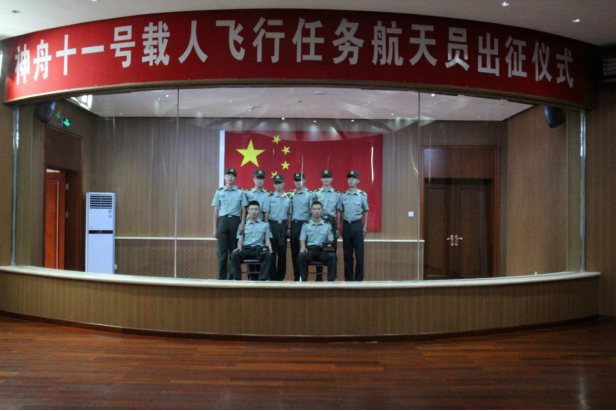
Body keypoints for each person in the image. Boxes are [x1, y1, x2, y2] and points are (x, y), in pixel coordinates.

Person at [212, 168, 248, 280]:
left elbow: (244, 209)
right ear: (224, 177)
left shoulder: (240, 191)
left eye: (232, 175)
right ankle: (221, 279)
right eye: (228, 175)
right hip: (222, 221)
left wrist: (243, 223)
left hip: (235, 221)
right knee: (222, 252)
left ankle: (231, 278)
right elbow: (216, 211)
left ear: (235, 178)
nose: (230, 177)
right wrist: (215, 228)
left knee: (233, 251)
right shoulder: (219, 191)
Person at [338, 170, 369, 282]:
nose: (351, 180)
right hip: (346, 226)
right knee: (347, 254)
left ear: (358, 181)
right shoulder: (343, 196)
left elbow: (366, 211)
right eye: (349, 178)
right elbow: (340, 212)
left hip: (357, 225)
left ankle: (359, 279)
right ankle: (349, 279)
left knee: (359, 254)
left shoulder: (362, 195)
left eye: (353, 178)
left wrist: (365, 226)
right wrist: (340, 226)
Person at [230, 201, 273, 281]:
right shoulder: (242, 225)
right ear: (248, 210)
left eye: (256, 209)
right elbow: (240, 239)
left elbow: (267, 239)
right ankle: (237, 279)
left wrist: (269, 248)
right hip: (246, 248)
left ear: (259, 211)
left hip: (259, 249)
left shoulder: (265, 225)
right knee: (234, 255)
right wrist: (239, 246)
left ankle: (262, 280)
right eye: (252, 209)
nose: (254, 212)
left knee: (268, 255)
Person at [311, 170, 342, 282]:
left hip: (331, 222)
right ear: (321, 179)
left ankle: (331, 278)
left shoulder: (337, 194)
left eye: (328, 177)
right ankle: (318, 276)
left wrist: (337, 227)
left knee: (331, 249)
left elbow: (338, 212)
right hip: (318, 221)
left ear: (332, 179)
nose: (326, 179)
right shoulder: (316, 193)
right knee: (318, 247)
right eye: (324, 177)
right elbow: (313, 210)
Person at [298, 202, 338, 282]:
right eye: (314, 209)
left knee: (332, 256)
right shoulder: (306, 225)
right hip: (310, 249)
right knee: (301, 256)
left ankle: (331, 281)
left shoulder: (327, 225)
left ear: (322, 211)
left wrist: (329, 248)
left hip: (322, 250)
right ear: (311, 211)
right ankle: (303, 280)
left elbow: (330, 240)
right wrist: (303, 248)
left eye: (319, 209)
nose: (316, 211)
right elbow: (302, 239)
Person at [263, 174, 292, 281]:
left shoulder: (288, 198)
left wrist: (289, 228)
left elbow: (289, 214)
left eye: (280, 183)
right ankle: (273, 277)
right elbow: (266, 214)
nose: (278, 185)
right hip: (272, 225)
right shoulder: (269, 197)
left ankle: (281, 277)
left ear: (283, 183)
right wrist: (266, 228)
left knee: (282, 253)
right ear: (273, 185)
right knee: (272, 252)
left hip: (283, 226)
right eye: (276, 183)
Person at [245, 169, 271, 279]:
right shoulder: (248, 193)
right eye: (257, 178)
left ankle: (261, 279)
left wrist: (266, 226)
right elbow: (244, 210)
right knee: (248, 252)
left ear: (264, 180)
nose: (259, 181)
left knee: (262, 253)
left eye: (261, 178)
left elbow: (266, 212)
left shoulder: (268, 194)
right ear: (253, 179)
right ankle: (251, 278)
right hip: (249, 226)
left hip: (261, 227)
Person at [288, 172, 313, 281]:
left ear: (305, 180)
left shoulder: (309, 194)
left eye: (300, 180)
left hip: (305, 225)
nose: (298, 182)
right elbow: (289, 212)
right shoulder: (291, 194)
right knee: (294, 252)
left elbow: (312, 212)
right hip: (295, 225)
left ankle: (303, 277)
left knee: (304, 252)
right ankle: (296, 276)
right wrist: (289, 227)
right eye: (296, 180)